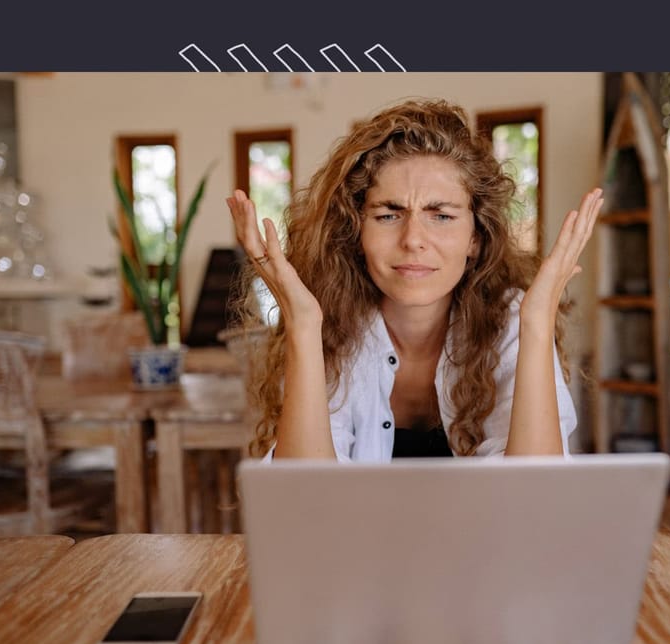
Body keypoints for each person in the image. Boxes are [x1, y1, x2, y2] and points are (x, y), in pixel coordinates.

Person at [227, 98, 602, 461]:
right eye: (389, 215)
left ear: (475, 237)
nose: (413, 240)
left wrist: (537, 322)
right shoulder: (330, 324)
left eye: (441, 215)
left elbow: (535, 499)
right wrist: (304, 326)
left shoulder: (509, 318)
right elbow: (304, 500)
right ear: (356, 232)